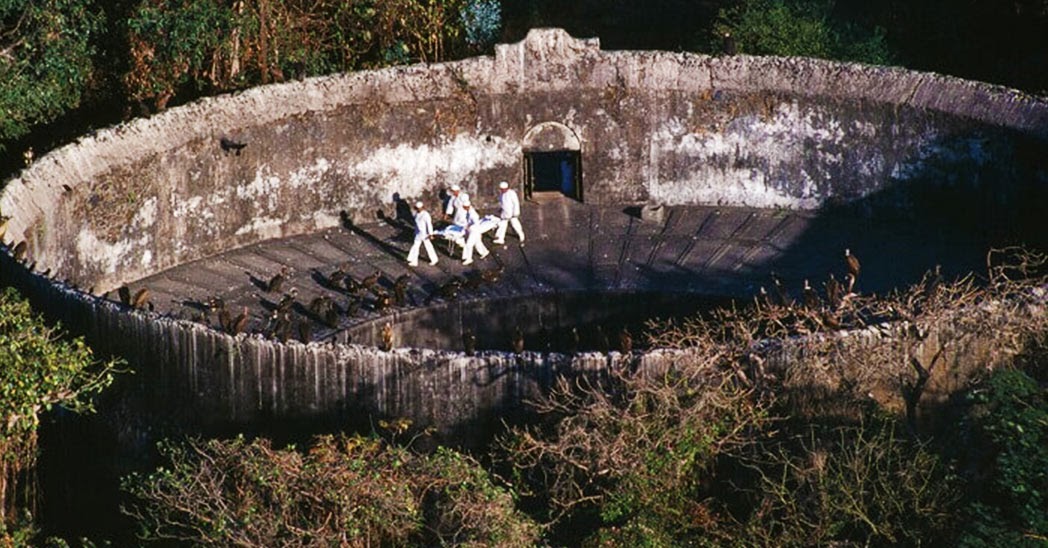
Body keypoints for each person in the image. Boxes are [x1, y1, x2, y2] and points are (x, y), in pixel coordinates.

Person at [407, 201, 438, 267]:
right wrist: (415, 232)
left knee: (428, 246)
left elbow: (429, 224)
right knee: (415, 246)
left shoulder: (426, 215)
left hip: (425, 234)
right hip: (418, 233)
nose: (419, 209)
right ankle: (413, 260)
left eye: (420, 208)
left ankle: (434, 259)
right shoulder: (416, 214)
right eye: (417, 208)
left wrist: (430, 234)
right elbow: (416, 225)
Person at [493, 181, 525, 245]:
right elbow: (503, 203)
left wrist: (516, 212)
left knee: (515, 225)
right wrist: (501, 209)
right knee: (502, 225)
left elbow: (516, 203)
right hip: (505, 213)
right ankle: (500, 238)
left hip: (512, 213)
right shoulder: (502, 194)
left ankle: (521, 235)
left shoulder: (512, 193)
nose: (502, 190)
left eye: (503, 189)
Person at [461, 198, 490, 266]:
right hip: (473, 230)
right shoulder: (469, 212)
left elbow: (476, 223)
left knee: (469, 245)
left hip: (474, 231)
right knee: (477, 243)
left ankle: (469, 259)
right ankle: (484, 252)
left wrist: (469, 226)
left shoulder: (473, 214)